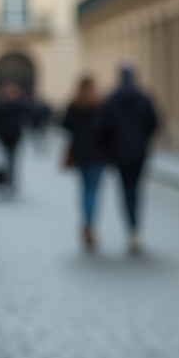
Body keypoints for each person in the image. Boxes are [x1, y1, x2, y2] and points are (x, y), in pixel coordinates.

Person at [98, 64, 159, 254]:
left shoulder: (112, 99)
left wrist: (110, 147)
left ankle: (130, 228)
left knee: (125, 191)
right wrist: (142, 140)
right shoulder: (145, 98)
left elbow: (104, 126)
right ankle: (135, 228)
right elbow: (154, 124)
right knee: (137, 190)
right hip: (139, 152)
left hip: (119, 153)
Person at [62, 76, 106, 251]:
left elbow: (65, 125)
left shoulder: (74, 105)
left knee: (84, 189)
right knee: (94, 190)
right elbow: (108, 129)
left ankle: (86, 223)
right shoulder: (100, 105)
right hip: (98, 155)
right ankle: (90, 225)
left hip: (80, 153)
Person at [0, 82, 26, 190]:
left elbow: (25, 115)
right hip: (3, 135)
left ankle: (10, 181)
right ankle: (5, 179)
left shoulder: (18, 105)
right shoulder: (0, 105)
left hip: (14, 136)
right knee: (5, 159)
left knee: (12, 159)